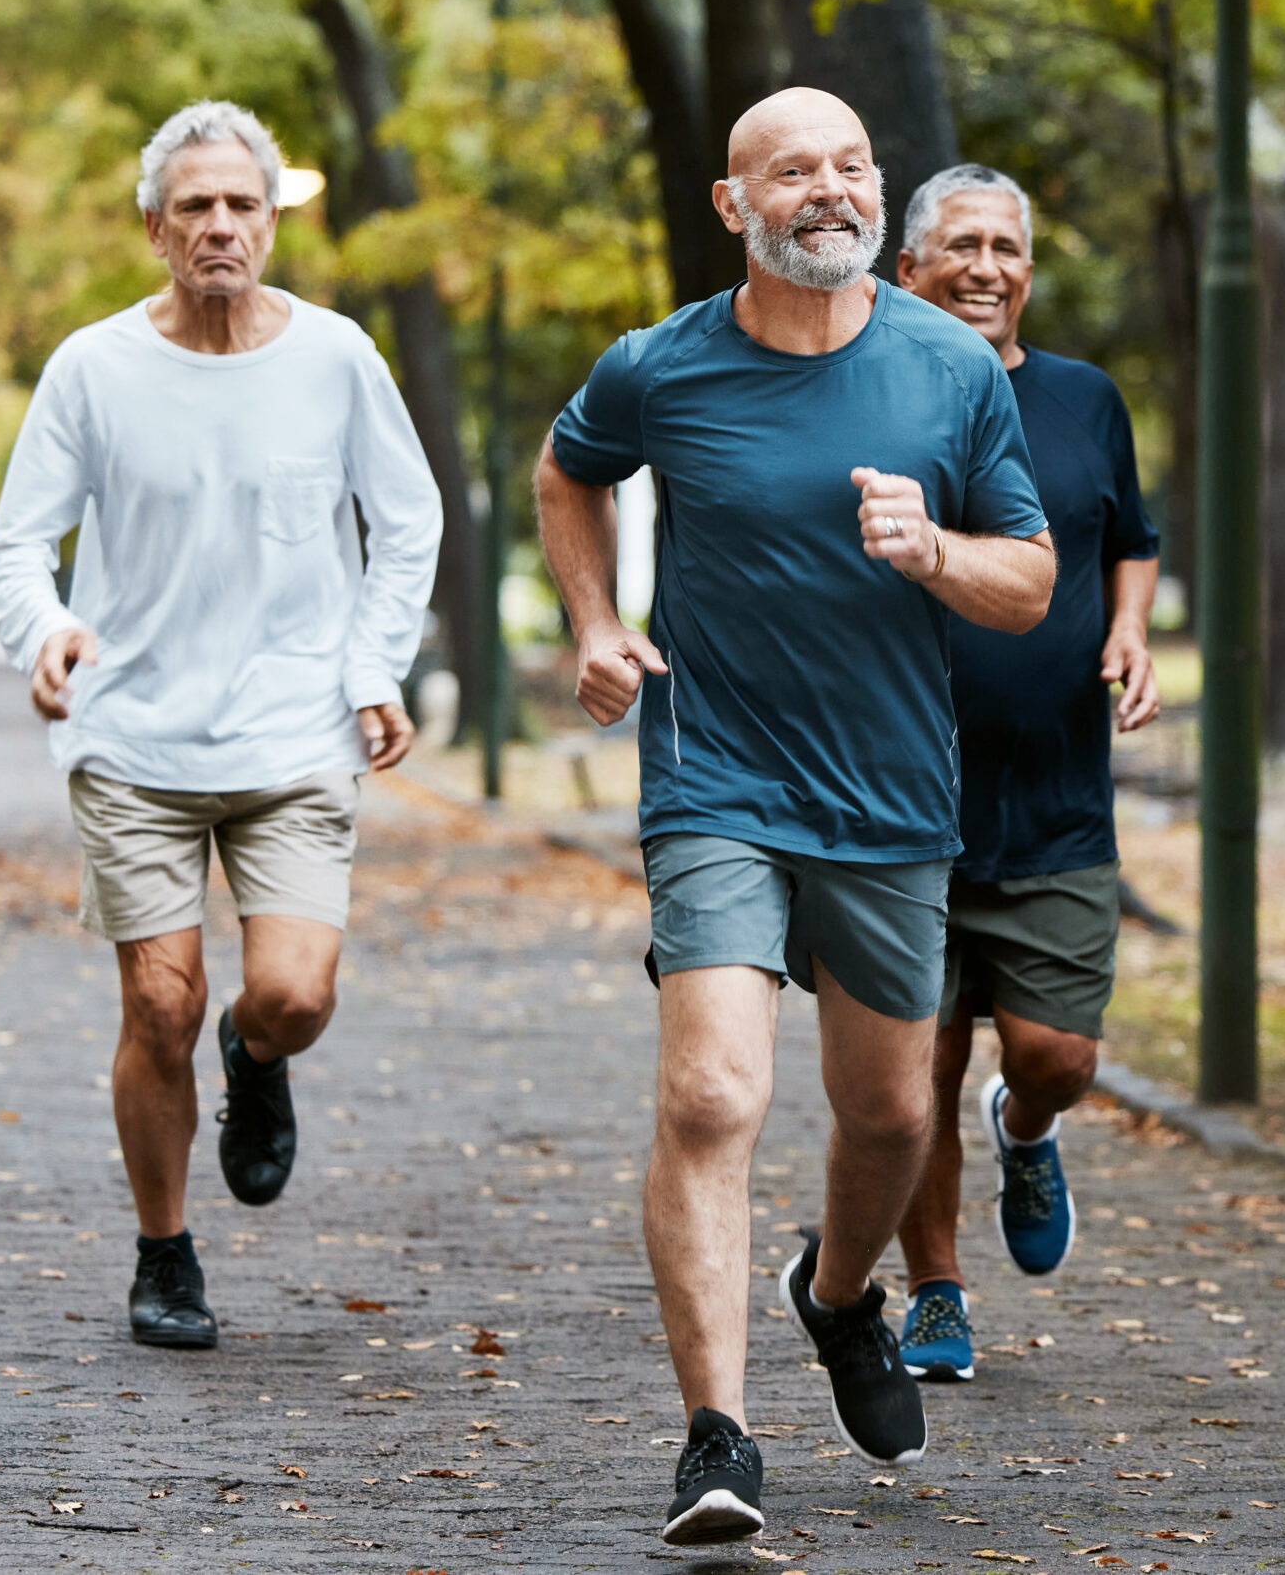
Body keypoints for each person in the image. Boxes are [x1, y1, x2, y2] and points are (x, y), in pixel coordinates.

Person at [535, 89, 1055, 1546]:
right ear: (733, 204)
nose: (830, 190)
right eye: (794, 171)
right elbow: (570, 472)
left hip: (892, 797)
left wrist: (934, 549)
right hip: (718, 784)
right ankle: (719, 1436)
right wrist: (593, 623)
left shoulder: (951, 368)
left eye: (851, 167)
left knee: (890, 1113)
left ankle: (836, 1296)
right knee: (712, 1095)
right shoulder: (662, 367)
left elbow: (1030, 579)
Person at [0, 101, 442, 1352]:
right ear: (155, 228)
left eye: (243, 204)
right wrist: (45, 631)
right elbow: (18, 545)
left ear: (274, 221)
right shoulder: (94, 367)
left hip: (296, 733)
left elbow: (406, 523)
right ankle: (164, 1251)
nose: (221, 226)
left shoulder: (339, 358)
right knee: (159, 1009)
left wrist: (374, 666)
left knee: (289, 994)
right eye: (195, 206)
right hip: (131, 737)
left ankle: (259, 1059)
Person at [885, 165, 1160, 1384]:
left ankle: (1028, 1125)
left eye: (1005, 247)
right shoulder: (873, 398)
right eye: (959, 246)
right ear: (909, 273)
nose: (985, 266)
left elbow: (1131, 541)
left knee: (1054, 1053)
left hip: (1055, 796)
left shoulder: (1086, 400)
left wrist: (1130, 629)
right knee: (913, 1071)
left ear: (1028, 273)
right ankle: (933, 1291)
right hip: (897, 803)